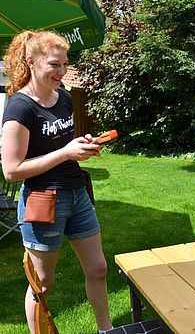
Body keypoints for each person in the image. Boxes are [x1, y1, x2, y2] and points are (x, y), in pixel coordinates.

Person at [1, 30, 113, 333]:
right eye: (54, 64)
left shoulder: (63, 97)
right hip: (43, 202)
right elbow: (11, 171)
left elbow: (60, 143)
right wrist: (65, 152)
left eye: (64, 64)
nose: (62, 72)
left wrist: (80, 146)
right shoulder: (20, 108)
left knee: (99, 269)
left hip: (77, 195)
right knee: (44, 284)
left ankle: (106, 330)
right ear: (32, 62)